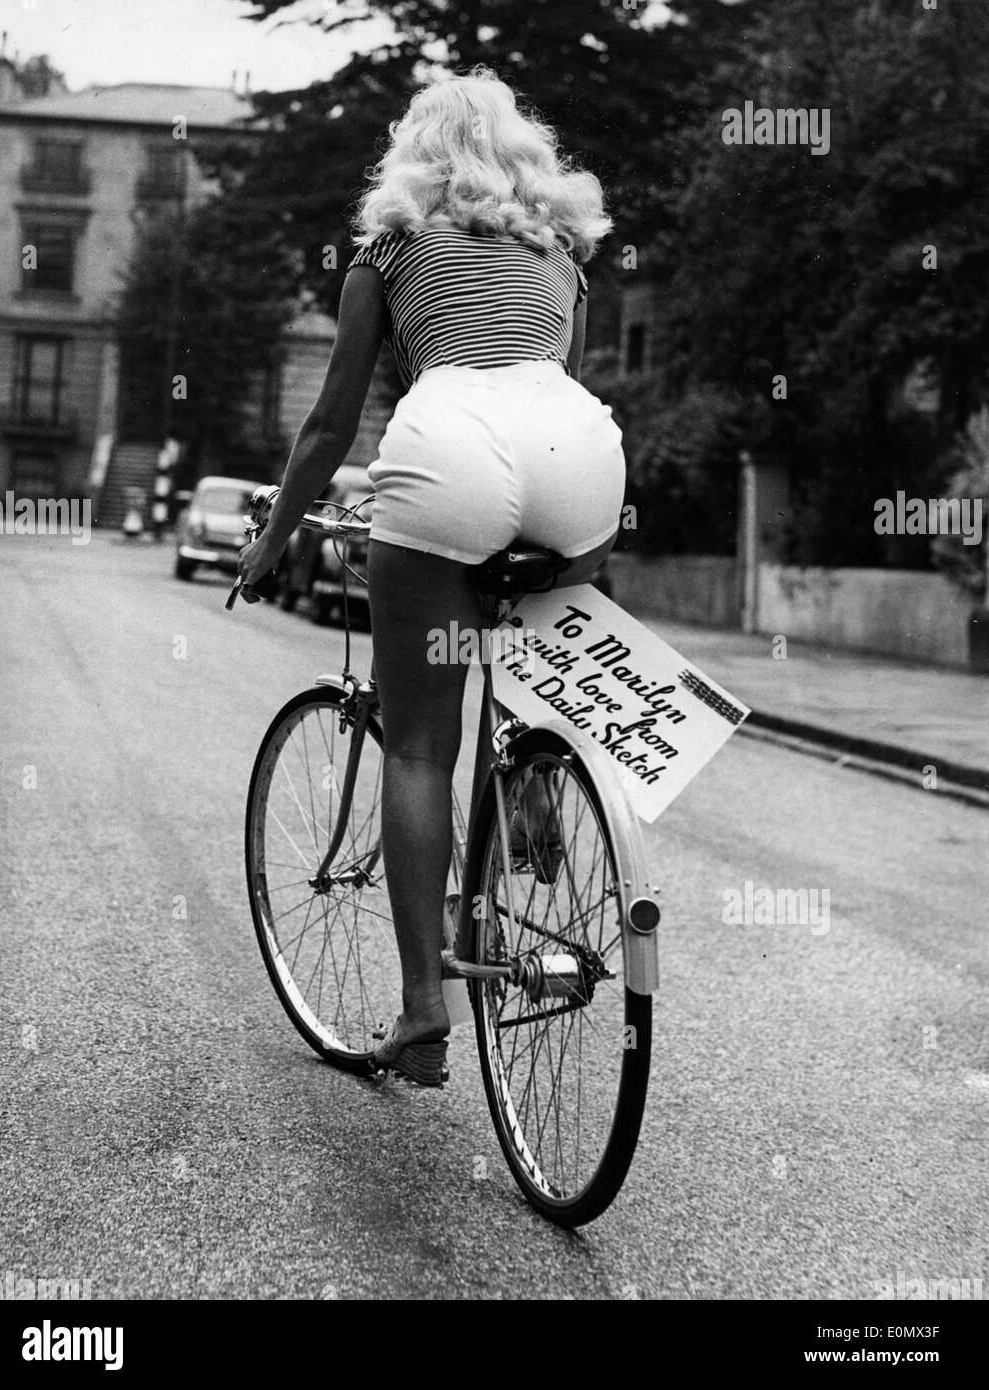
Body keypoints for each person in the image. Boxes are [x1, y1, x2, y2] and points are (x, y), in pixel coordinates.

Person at [238, 67, 625, 1085]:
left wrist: (276, 536)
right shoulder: (559, 252)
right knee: (540, 638)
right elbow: (545, 383)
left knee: (417, 745)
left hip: (446, 456)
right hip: (579, 458)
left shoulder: (388, 249)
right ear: (518, 152)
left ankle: (422, 1013)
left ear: (413, 153)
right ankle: (540, 769)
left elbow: (330, 425)